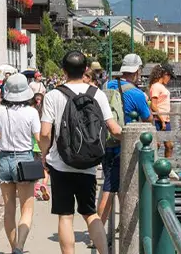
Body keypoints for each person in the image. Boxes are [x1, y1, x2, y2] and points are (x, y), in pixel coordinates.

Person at [39, 51, 122, 254]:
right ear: (86, 69)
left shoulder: (52, 96)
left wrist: (44, 155)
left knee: (65, 216)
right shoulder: (98, 94)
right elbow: (113, 128)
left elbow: (44, 133)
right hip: (88, 163)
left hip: (61, 163)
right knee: (90, 214)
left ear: (63, 70)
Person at [0, 73, 41, 254]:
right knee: (27, 208)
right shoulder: (31, 112)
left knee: (9, 209)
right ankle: (20, 247)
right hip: (24, 159)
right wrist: (47, 159)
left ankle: (13, 247)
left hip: (4, 159)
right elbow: (39, 139)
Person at [98, 53, 152, 225]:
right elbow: (148, 119)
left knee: (116, 185)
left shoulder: (107, 85)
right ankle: (97, 230)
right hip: (122, 144)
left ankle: (125, 223)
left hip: (104, 140)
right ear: (136, 71)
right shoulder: (136, 94)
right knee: (111, 188)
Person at [148, 64, 177, 171]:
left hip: (165, 120)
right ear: (165, 74)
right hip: (158, 120)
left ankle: (167, 169)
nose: (169, 80)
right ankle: (152, 168)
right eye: (169, 76)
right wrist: (162, 120)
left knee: (169, 145)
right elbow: (154, 105)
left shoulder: (161, 87)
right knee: (157, 145)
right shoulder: (155, 86)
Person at [31, 92, 50, 201]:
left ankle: (34, 188)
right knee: (45, 168)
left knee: (34, 167)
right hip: (43, 145)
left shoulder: (32, 114)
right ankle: (44, 184)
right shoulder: (45, 114)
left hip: (32, 146)